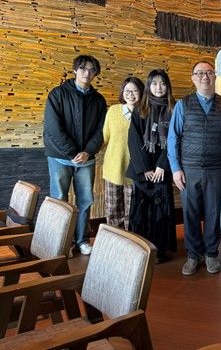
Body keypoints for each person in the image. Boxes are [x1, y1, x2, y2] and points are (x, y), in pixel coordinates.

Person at [168, 61, 221, 276]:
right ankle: (193, 255)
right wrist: (176, 169)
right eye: (200, 73)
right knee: (190, 213)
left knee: (213, 213)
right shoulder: (183, 105)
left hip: (217, 168)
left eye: (209, 72)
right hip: (189, 169)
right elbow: (173, 138)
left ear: (215, 76)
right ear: (193, 78)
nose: (205, 77)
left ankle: (211, 254)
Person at [43, 55, 107, 256]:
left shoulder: (99, 100)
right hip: (60, 157)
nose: (87, 73)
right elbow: (53, 128)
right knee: (59, 199)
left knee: (85, 200)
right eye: (83, 68)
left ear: (95, 73)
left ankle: (82, 240)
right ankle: (60, 243)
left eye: (91, 70)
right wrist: (72, 152)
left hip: (86, 159)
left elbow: (101, 130)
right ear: (75, 70)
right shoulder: (57, 94)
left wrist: (88, 152)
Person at [127, 69, 176, 264]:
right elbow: (133, 139)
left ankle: (160, 250)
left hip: (163, 169)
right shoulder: (140, 109)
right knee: (141, 211)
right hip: (143, 170)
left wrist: (162, 166)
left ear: (168, 86)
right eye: (154, 83)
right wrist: (146, 168)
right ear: (148, 86)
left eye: (162, 83)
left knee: (160, 211)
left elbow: (174, 139)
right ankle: (139, 248)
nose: (159, 87)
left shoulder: (174, 109)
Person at [102, 77, 145, 230]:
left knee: (132, 213)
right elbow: (104, 137)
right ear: (122, 92)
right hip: (113, 169)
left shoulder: (146, 113)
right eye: (127, 91)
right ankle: (114, 240)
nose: (131, 94)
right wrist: (86, 151)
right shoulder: (113, 111)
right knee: (112, 211)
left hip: (135, 172)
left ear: (142, 92)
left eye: (135, 90)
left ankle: (130, 241)